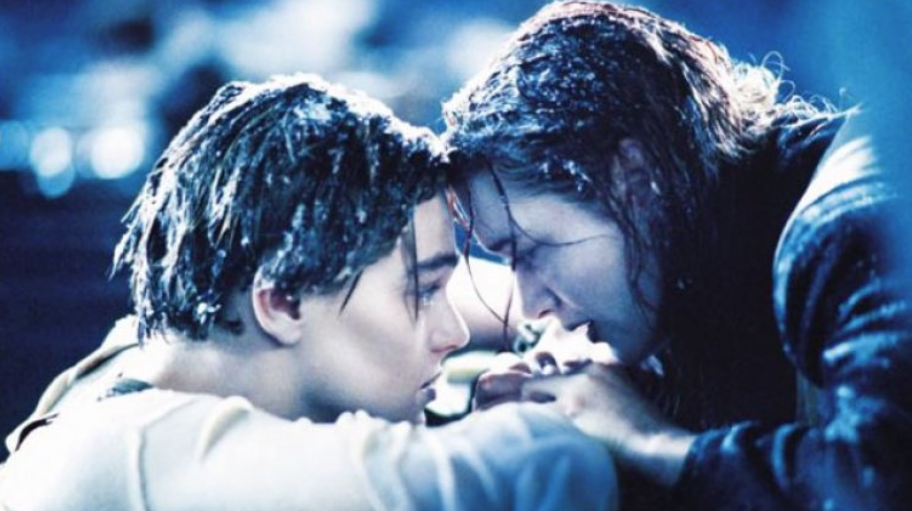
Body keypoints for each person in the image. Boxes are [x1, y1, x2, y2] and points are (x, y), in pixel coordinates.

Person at [0, 73, 617, 511]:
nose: (453, 332)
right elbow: (552, 464)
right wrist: (581, 411)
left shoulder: (159, 354)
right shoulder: (130, 451)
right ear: (283, 302)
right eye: (424, 291)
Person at [442, 1, 912, 510]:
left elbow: (879, 483)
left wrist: (648, 439)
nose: (532, 304)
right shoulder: (718, 258)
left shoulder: (848, 226)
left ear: (633, 180)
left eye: (533, 252)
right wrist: (625, 402)